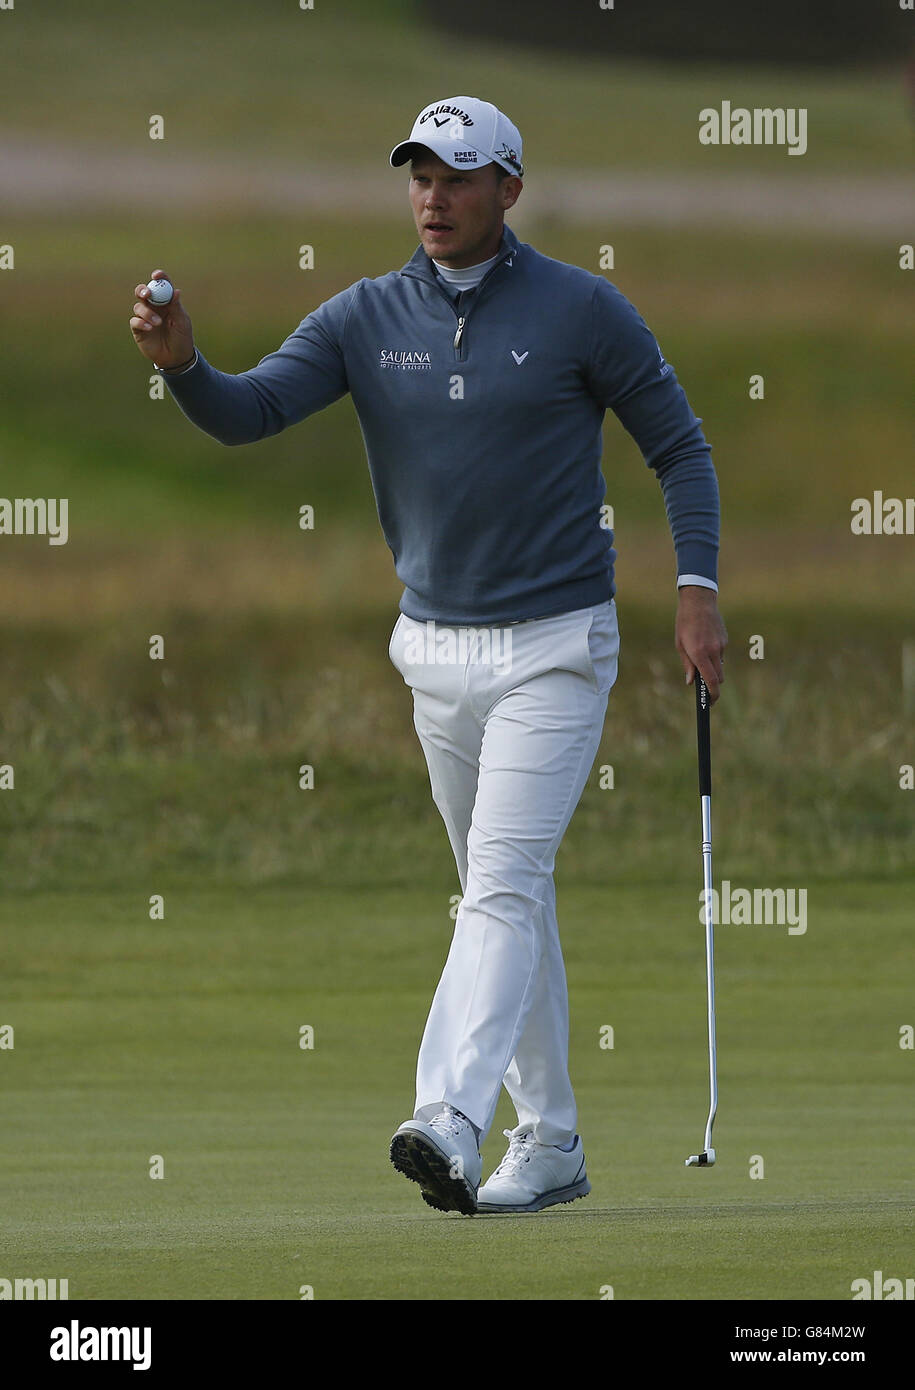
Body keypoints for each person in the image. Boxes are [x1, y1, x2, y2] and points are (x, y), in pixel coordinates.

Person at [129, 95, 727, 1217]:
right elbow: (251, 411)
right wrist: (184, 364)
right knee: (510, 895)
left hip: (556, 644)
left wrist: (695, 587)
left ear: (509, 186)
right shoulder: (366, 315)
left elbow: (680, 448)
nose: (433, 198)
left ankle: (449, 1114)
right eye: (418, 176)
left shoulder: (582, 310)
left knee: (496, 889)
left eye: (457, 177)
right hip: (434, 654)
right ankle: (549, 1141)